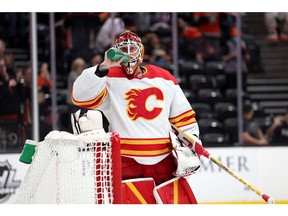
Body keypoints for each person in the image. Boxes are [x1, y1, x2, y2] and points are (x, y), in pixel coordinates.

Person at [72, 30, 202, 203]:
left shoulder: (164, 78)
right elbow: (80, 96)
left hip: (164, 162)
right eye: (123, 49)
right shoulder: (109, 78)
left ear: (141, 52)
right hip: (126, 162)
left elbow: (184, 119)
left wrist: (192, 144)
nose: (127, 53)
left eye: (132, 49)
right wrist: (103, 67)